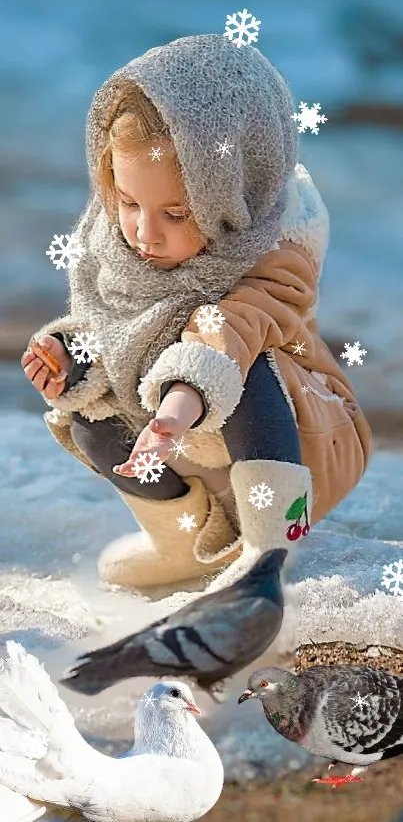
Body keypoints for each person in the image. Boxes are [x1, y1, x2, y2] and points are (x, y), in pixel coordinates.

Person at [21, 34, 372, 597]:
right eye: (130, 203)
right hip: (186, 443)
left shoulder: (276, 249)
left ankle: (270, 545)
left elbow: (227, 333)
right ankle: (183, 542)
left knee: (246, 364)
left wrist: (176, 409)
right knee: (89, 410)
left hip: (300, 440)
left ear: (232, 190)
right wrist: (71, 359)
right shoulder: (119, 244)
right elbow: (116, 332)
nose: (143, 232)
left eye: (176, 212)